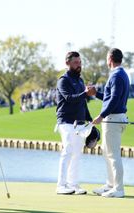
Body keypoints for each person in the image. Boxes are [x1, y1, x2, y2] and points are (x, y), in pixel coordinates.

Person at [55, 51, 95, 195]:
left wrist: (91, 121)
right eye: (76, 63)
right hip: (65, 121)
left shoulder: (80, 80)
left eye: (80, 62)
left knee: (77, 153)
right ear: (68, 63)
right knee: (68, 150)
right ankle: (61, 185)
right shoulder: (63, 80)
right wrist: (85, 93)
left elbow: (83, 103)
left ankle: (73, 184)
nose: (79, 65)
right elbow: (69, 98)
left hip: (79, 123)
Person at [92, 48, 130, 198]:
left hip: (113, 119)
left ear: (110, 59)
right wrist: (96, 94)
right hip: (115, 117)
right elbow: (111, 97)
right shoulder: (121, 74)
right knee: (107, 152)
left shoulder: (116, 75)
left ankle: (118, 188)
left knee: (113, 155)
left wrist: (101, 115)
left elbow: (114, 100)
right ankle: (110, 184)